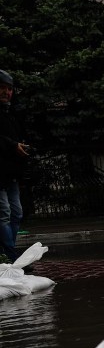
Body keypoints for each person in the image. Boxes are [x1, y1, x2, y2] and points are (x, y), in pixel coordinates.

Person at [0, 69, 31, 264]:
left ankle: (6, 251)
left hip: (10, 173)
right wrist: (13, 145)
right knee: (3, 214)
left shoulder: (9, 113)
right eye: (2, 88)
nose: (6, 92)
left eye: (9, 89)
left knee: (16, 212)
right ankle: (10, 256)